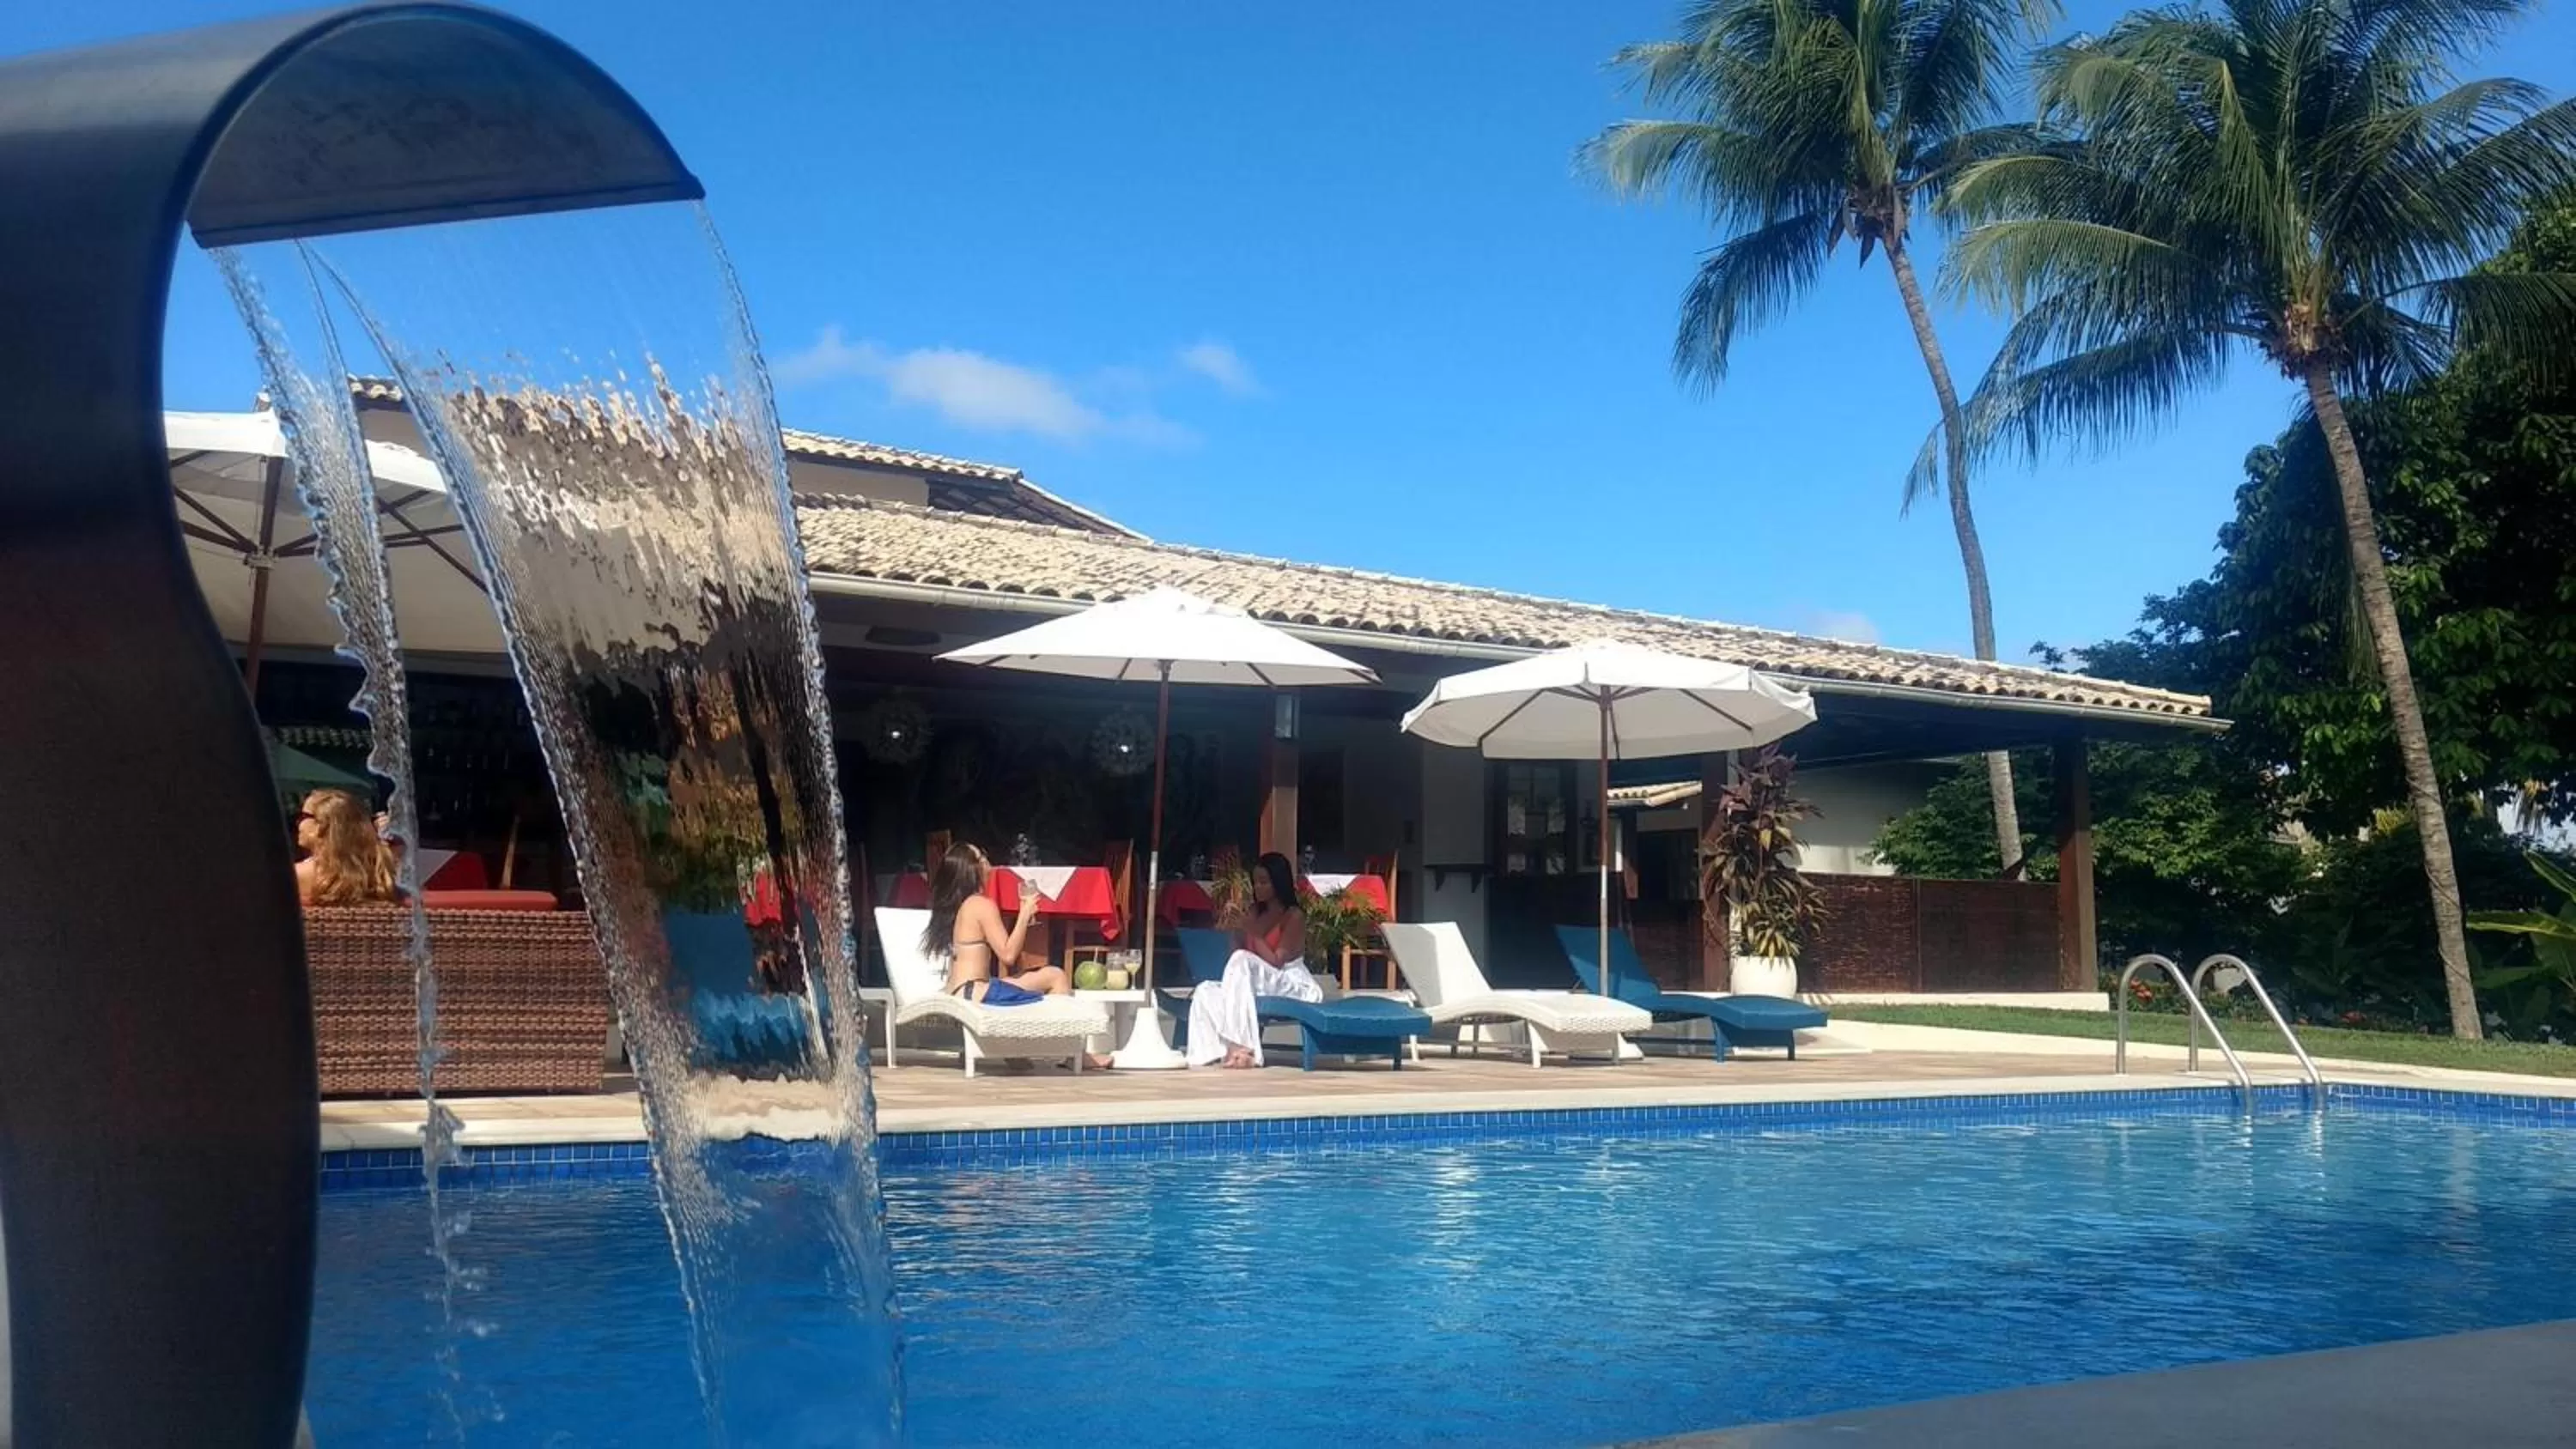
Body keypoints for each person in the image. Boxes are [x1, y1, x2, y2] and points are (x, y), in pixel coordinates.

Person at [920, 841, 1110, 1070]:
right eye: (981, 858)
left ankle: (1013, 1049)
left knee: (1028, 978)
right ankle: (1073, 1054)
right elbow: (1008, 954)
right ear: (972, 869)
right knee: (1056, 976)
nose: (987, 862)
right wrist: (1025, 913)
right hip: (976, 992)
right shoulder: (981, 905)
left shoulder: (960, 906)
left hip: (963, 989)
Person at [1186, 851, 1321, 1068]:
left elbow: (1276, 961)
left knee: (1242, 960)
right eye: (1255, 882)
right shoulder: (1254, 912)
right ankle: (1212, 1053)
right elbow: (1236, 958)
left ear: (1278, 883)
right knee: (1205, 990)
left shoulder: (1293, 915)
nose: (1258, 887)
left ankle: (1244, 1049)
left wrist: (1250, 931)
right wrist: (1235, 930)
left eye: (1264, 882)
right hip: (1256, 979)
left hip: (1289, 981)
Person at [295, 789, 399, 906]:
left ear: (321, 824)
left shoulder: (296, 875)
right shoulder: (382, 872)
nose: (298, 822)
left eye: (303, 816)